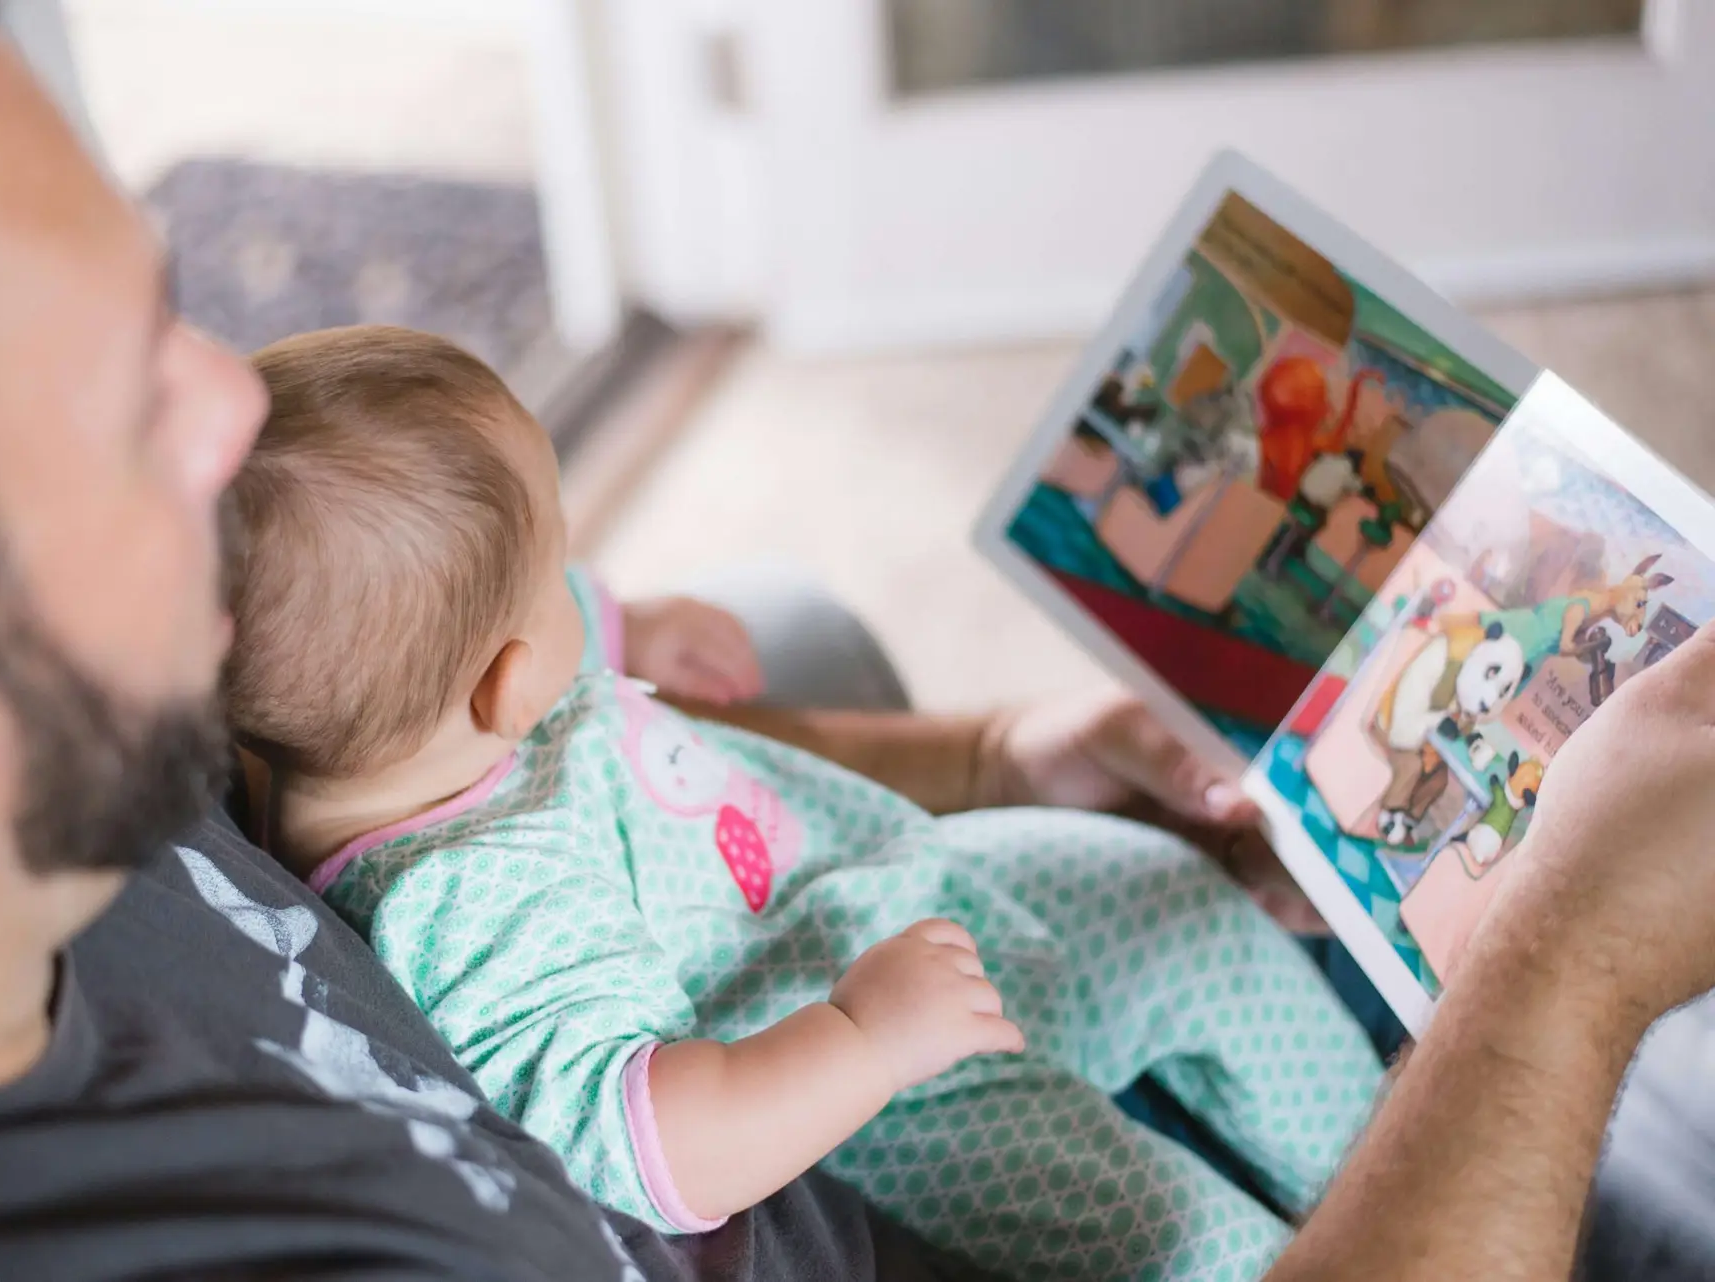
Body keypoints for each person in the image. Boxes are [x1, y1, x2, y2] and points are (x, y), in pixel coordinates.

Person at [0, 5, 1712, 1280]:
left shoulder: (121, 702)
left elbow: (581, 750)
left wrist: (981, 753)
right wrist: (1568, 969)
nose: (233, 407)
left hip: (926, 922)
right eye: (132, 406)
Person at [223, 326, 1382, 1279]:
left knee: (1176, 895)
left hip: (897, 879)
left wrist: (629, 623)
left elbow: (509, 619)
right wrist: (863, 1039)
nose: (580, 582)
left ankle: (1384, 1165)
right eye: (559, 567)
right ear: (509, 682)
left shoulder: (415, 714)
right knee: (1183, 1245)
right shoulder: (473, 902)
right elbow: (649, 1141)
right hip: (902, 1085)